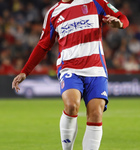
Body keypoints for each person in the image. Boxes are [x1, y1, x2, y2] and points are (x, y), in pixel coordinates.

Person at [12, 0, 129, 149]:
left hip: (96, 68)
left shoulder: (96, 2)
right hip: (69, 68)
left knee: (96, 114)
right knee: (72, 105)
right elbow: (43, 45)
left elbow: (123, 18)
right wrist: (25, 71)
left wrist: (118, 24)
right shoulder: (53, 13)